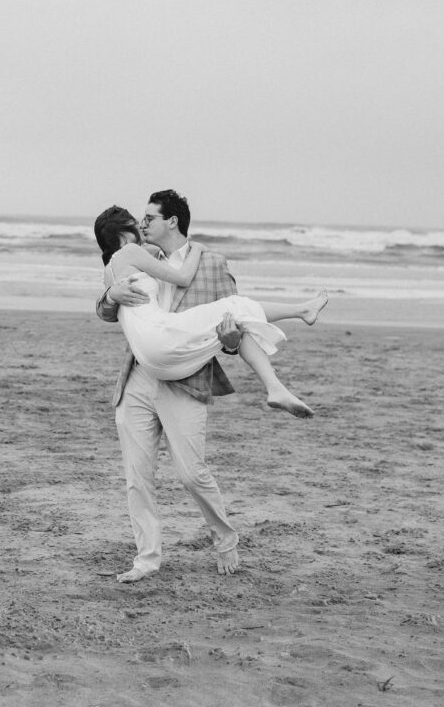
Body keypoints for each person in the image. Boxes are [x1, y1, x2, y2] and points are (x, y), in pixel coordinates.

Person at [95, 191, 327, 584]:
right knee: (138, 476)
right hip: (139, 375)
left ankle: (224, 537)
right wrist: (110, 295)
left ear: (173, 221)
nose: (144, 224)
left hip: (186, 376)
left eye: (150, 218)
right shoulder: (138, 259)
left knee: (191, 473)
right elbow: (105, 308)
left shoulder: (213, 263)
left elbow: (234, 334)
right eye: (139, 221)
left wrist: (232, 340)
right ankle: (146, 558)